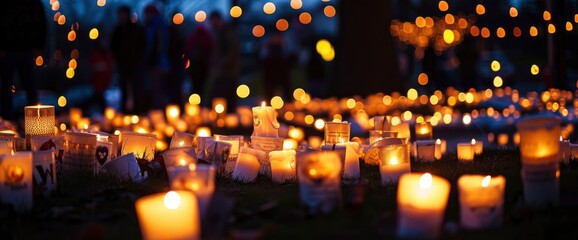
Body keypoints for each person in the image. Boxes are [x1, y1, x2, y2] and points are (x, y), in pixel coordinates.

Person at [0, 0, 46, 120]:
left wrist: (39, 45)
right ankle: (6, 121)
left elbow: (41, 23)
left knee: (26, 85)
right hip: (11, 49)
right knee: (8, 87)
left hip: (22, 49)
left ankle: (35, 120)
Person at [111, 6, 145, 114]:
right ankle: (125, 112)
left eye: (123, 14)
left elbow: (142, 45)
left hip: (135, 64)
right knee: (123, 89)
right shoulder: (117, 30)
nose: (122, 17)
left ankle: (137, 112)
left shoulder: (136, 29)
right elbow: (113, 46)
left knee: (136, 89)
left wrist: (138, 59)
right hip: (122, 65)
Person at [206, 12, 240, 112]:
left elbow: (232, 51)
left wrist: (221, 64)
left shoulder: (226, 32)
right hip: (224, 70)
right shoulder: (219, 32)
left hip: (227, 71)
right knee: (222, 96)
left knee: (223, 96)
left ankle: (226, 121)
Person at [184, 18, 214, 99]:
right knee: (200, 84)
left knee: (196, 84)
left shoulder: (194, 36)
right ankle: (198, 102)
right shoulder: (205, 36)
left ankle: (195, 101)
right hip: (200, 64)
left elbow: (187, 48)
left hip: (198, 64)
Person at [262, 31, 291, 101]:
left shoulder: (283, 47)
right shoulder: (268, 49)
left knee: (287, 93)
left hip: (281, 74)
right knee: (269, 93)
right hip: (271, 75)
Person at [89, 39, 113, 112]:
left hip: (107, 86)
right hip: (97, 87)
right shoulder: (95, 55)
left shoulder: (109, 56)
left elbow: (110, 69)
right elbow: (93, 68)